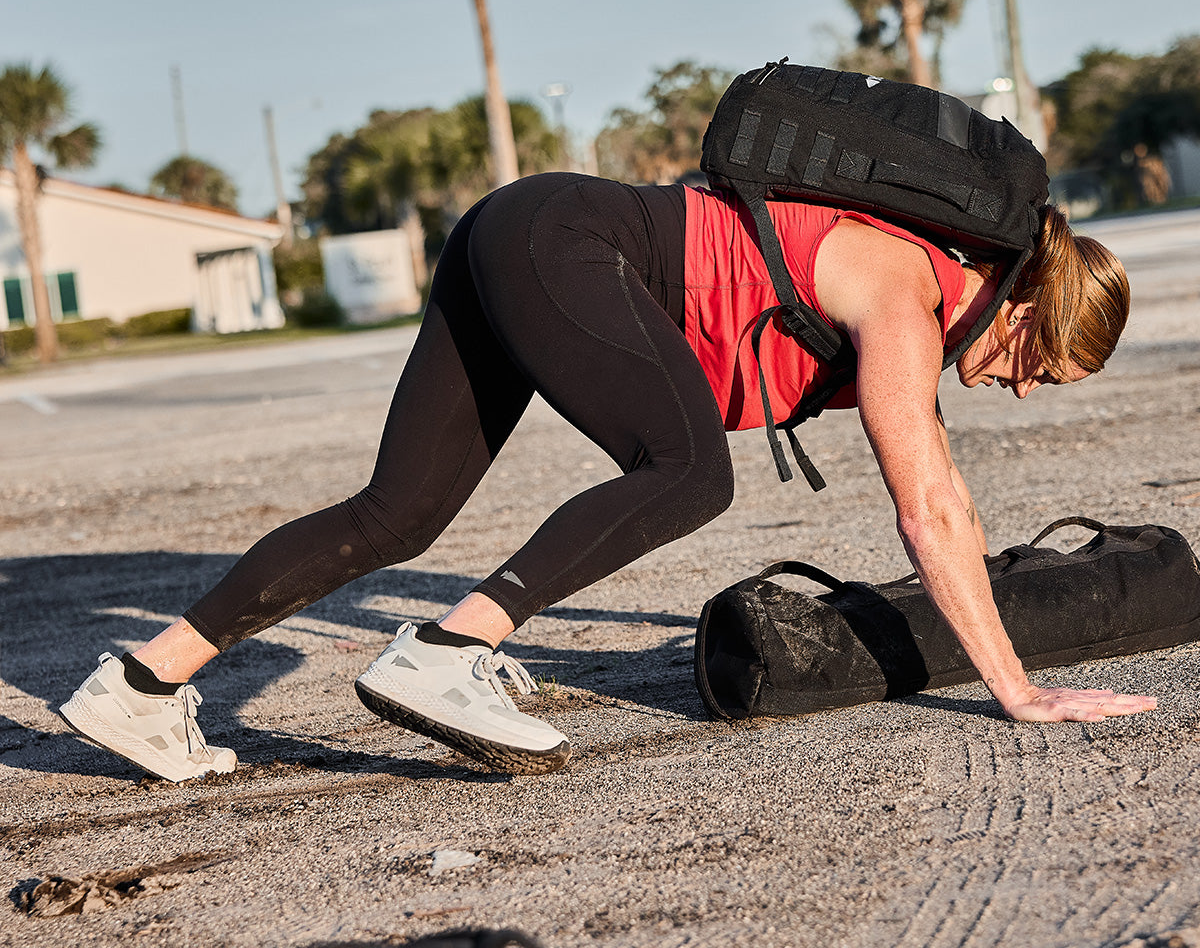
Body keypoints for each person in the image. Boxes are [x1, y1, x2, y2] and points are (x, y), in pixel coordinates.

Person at [60, 171, 1156, 783]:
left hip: (518, 228)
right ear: (1023, 304)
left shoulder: (923, 290)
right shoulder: (911, 295)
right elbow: (929, 507)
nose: (1019, 387)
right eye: (1035, 363)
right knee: (688, 473)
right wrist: (1018, 690)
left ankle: (142, 688)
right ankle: (448, 652)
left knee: (397, 514)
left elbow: (943, 492)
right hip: (568, 238)